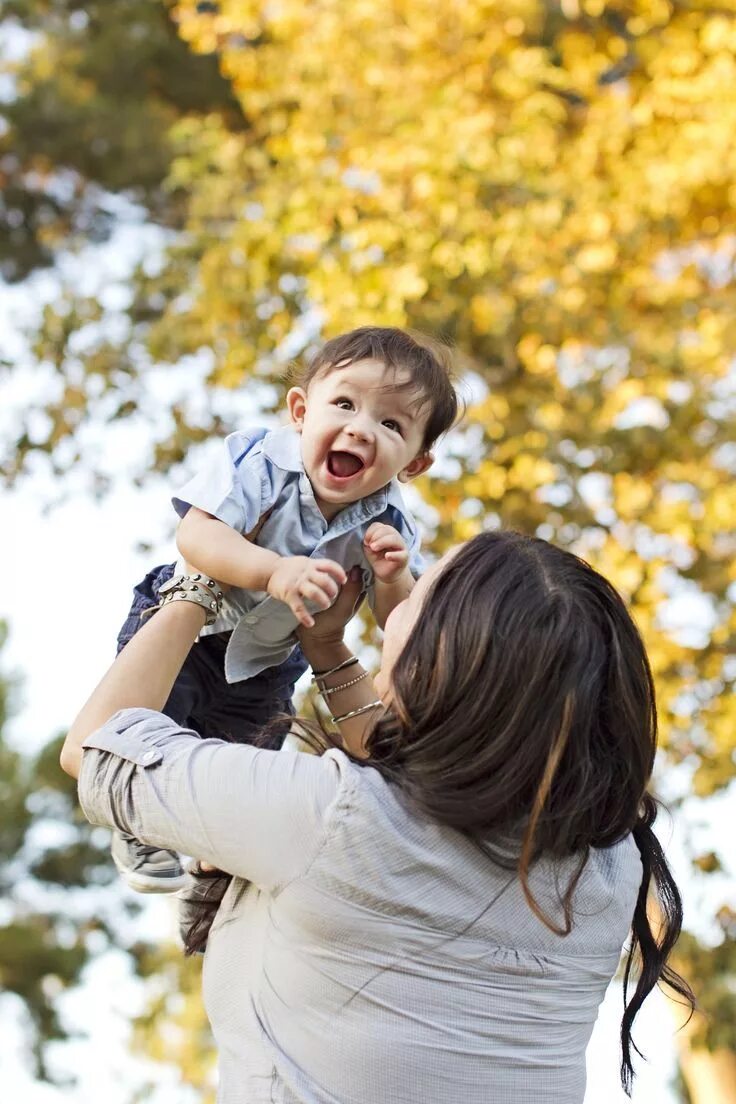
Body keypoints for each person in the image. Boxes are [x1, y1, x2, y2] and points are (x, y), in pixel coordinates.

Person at [62, 529, 694, 1103]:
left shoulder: (320, 815)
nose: (403, 593)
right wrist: (328, 650)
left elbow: (96, 748)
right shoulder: (612, 869)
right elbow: (422, 814)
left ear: (444, 654)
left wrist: (198, 580)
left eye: (424, 590)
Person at [111, 325, 458, 893]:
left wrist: (396, 579)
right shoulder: (257, 460)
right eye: (344, 403)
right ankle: (137, 823)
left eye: (391, 424)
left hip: (269, 661)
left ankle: (211, 864)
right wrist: (272, 571)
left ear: (415, 463)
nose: (360, 428)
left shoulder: (390, 524)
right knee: (150, 727)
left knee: (249, 764)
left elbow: (398, 624)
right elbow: (198, 536)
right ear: (301, 409)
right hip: (191, 632)